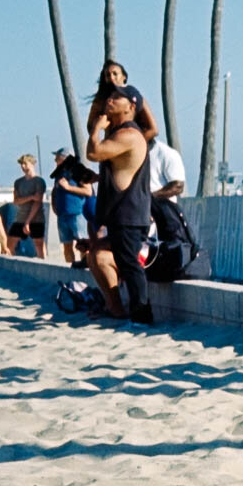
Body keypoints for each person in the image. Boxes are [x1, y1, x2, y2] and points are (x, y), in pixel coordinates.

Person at [86, 88, 154, 323]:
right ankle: (116, 309)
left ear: (131, 106)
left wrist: (96, 128)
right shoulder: (118, 134)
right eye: (109, 96)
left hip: (130, 215)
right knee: (96, 255)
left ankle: (142, 315)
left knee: (129, 264)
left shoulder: (129, 135)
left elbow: (93, 152)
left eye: (117, 98)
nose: (110, 100)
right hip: (121, 215)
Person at [85, 59, 160, 145]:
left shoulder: (133, 96)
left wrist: (133, 145)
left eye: (115, 74)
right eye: (108, 75)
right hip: (111, 148)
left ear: (124, 77)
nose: (111, 77)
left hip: (141, 147)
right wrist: (98, 127)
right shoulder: (101, 100)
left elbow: (154, 130)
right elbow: (90, 126)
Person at [50, 148, 97, 266]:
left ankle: (86, 265)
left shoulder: (77, 171)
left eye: (58, 157)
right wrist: (54, 205)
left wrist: (68, 188)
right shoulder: (59, 173)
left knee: (83, 244)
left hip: (77, 213)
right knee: (67, 245)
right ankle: (70, 267)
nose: (55, 160)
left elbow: (88, 191)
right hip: (63, 214)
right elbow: (55, 191)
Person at [9, 154, 48, 257]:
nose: (23, 166)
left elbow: (38, 201)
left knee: (39, 244)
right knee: (10, 243)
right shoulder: (18, 182)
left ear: (32, 164)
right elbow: (16, 201)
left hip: (36, 218)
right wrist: (30, 197)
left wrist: (28, 221)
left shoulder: (39, 181)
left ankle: (43, 265)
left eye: (25, 163)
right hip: (20, 217)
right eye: (21, 164)